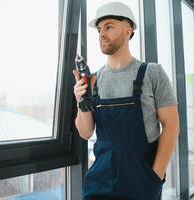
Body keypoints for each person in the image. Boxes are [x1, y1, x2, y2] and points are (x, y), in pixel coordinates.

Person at [72, 2, 179, 200]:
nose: (102, 33)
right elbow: (86, 132)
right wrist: (82, 101)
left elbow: (171, 125)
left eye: (109, 26)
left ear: (128, 30)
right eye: (99, 29)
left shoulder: (152, 73)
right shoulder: (94, 80)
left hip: (142, 180)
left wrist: (156, 175)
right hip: (101, 179)